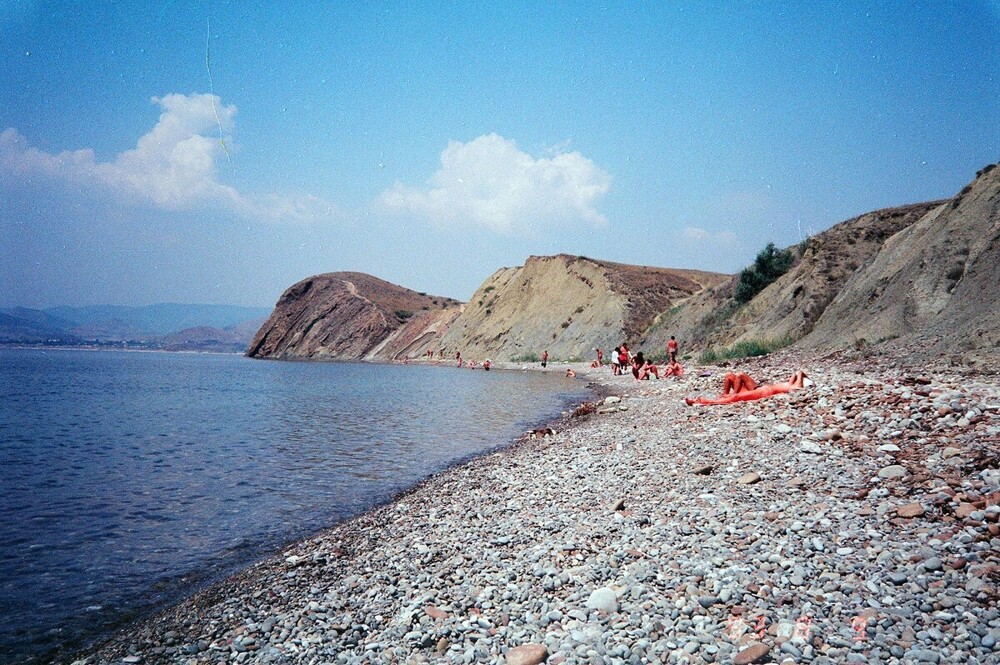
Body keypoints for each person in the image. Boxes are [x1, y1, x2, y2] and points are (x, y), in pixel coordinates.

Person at [685, 371, 812, 406]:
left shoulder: (795, 387)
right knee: (729, 376)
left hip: (765, 392)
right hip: (761, 389)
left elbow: (799, 372)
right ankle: (723, 395)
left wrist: (804, 377)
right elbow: (797, 373)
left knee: (735, 397)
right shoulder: (791, 383)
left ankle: (701, 401)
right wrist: (808, 379)